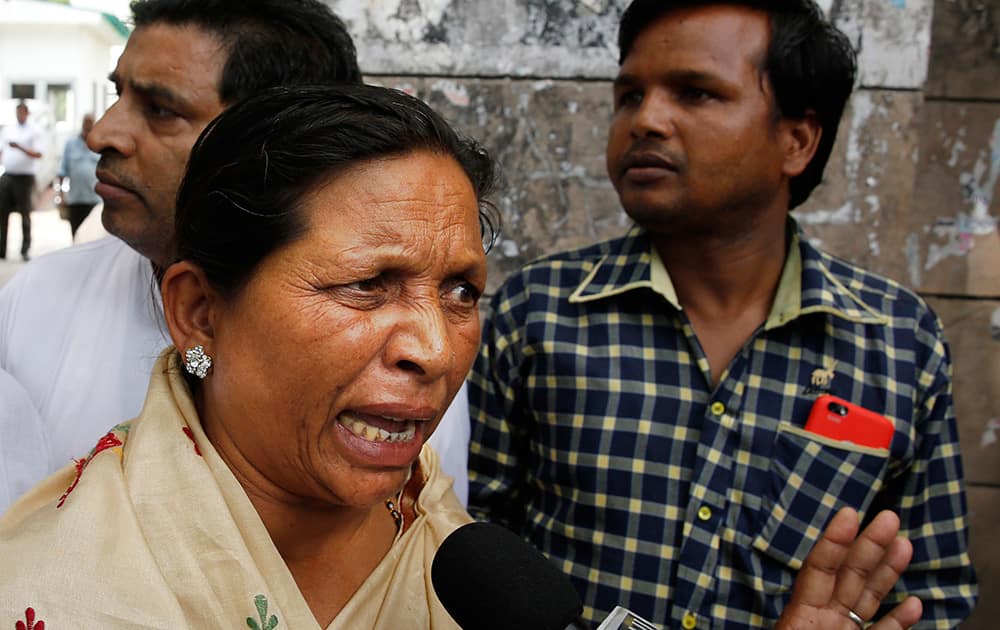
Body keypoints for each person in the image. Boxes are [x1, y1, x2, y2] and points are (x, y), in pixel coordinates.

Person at [0, 83, 922, 630]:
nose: (437, 351)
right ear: (199, 311)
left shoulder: (460, 562)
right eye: (366, 286)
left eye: (462, 293)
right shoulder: (53, 588)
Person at [467, 1, 978, 628]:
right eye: (629, 95)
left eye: (696, 94)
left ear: (797, 140)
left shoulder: (896, 340)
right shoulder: (538, 312)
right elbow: (465, 541)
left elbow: (934, 592)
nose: (646, 120)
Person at [0, 0, 471, 513]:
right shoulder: (36, 299)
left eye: (161, 109)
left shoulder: (405, 359)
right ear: (193, 311)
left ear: (282, 140)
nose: (102, 134)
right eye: (119, 94)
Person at [0, 102, 43, 261]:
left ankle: (25, 249)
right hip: (9, 174)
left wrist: (19, 147)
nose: (20, 116)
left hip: (24, 177)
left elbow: (39, 154)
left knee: (24, 213)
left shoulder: (34, 130)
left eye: (22, 113)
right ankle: (1, 249)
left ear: (27, 113)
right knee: (2, 213)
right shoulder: (9, 129)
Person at [56, 113, 101, 238]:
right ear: (82, 124)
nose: (88, 126)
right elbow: (62, 171)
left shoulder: (99, 145)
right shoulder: (70, 145)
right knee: (76, 234)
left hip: (95, 200)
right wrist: (61, 195)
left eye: (90, 123)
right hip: (75, 200)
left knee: (92, 236)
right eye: (86, 123)